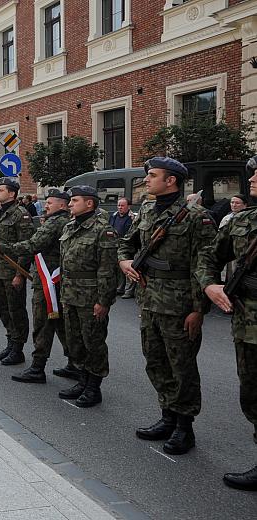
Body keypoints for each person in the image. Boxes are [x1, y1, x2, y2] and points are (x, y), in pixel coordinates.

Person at [119, 157, 217, 454]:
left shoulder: (196, 217)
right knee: (156, 361)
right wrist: (124, 260)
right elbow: (126, 243)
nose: (146, 180)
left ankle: (184, 428)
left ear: (171, 180)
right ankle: (167, 417)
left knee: (182, 367)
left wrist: (198, 310)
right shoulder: (147, 210)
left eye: (152, 175)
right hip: (149, 300)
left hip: (180, 304)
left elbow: (206, 265)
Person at [197, 156, 257, 490]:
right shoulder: (241, 221)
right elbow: (208, 256)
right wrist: (210, 284)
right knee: (251, 393)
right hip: (248, 322)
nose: (252, 177)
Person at [0, 189, 73, 383]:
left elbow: (31, 245)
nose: (46, 206)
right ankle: (74, 363)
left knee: (43, 324)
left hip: (48, 281)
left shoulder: (55, 223)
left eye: (50, 203)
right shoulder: (61, 221)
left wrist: (2, 248)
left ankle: (37, 368)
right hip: (54, 279)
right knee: (60, 324)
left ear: (61, 205)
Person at [57, 186, 118, 408]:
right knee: (75, 341)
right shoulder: (71, 227)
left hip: (90, 297)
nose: (70, 204)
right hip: (70, 294)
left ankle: (94, 387)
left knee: (93, 343)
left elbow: (107, 270)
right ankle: (82, 380)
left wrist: (103, 301)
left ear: (89, 203)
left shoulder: (103, 230)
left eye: (74, 200)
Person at [0, 177, 34, 364]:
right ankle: (10, 342)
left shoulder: (20, 214)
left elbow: (26, 246)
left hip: (12, 271)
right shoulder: (0, 213)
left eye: (1, 190)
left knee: (16, 311)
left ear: (12, 193)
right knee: (3, 310)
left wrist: (19, 274)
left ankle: (18, 349)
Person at [109, 198, 136, 299]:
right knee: (118, 269)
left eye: (122, 205)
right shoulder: (114, 216)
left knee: (128, 269)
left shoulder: (132, 217)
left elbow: (131, 233)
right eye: (118, 205)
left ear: (128, 207)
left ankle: (129, 290)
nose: (120, 207)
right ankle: (120, 288)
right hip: (115, 245)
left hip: (127, 246)